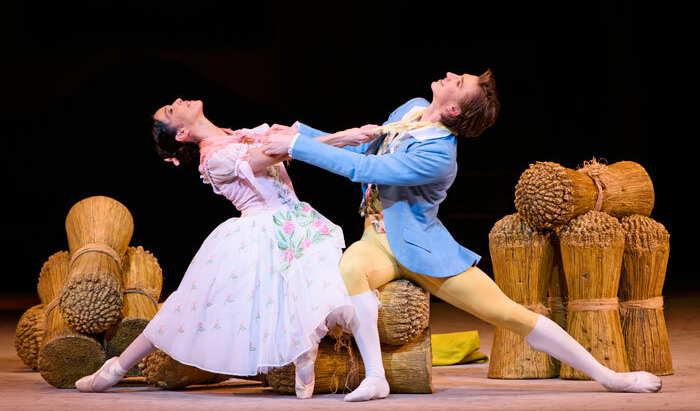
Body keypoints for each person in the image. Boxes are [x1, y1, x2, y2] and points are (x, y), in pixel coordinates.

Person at [261, 70, 663, 401]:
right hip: (377, 242)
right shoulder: (413, 110)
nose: (449, 75)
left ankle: (610, 376)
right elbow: (366, 151)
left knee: (510, 314)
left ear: (453, 108)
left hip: (423, 250)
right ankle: (376, 378)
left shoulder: (438, 155)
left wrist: (297, 145)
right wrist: (303, 134)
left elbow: (365, 171)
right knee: (351, 267)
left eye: (458, 81)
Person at [75, 98, 378, 398]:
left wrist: (348, 138)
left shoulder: (239, 136)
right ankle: (116, 367)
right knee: (187, 307)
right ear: (181, 133)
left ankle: (305, 349)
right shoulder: (215, 158)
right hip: (259, 231)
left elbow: (296, 148)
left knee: (315, 283)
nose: (178, 101)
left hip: (295, 222)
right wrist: (347, 136)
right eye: (171, 109)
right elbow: (281, 151)